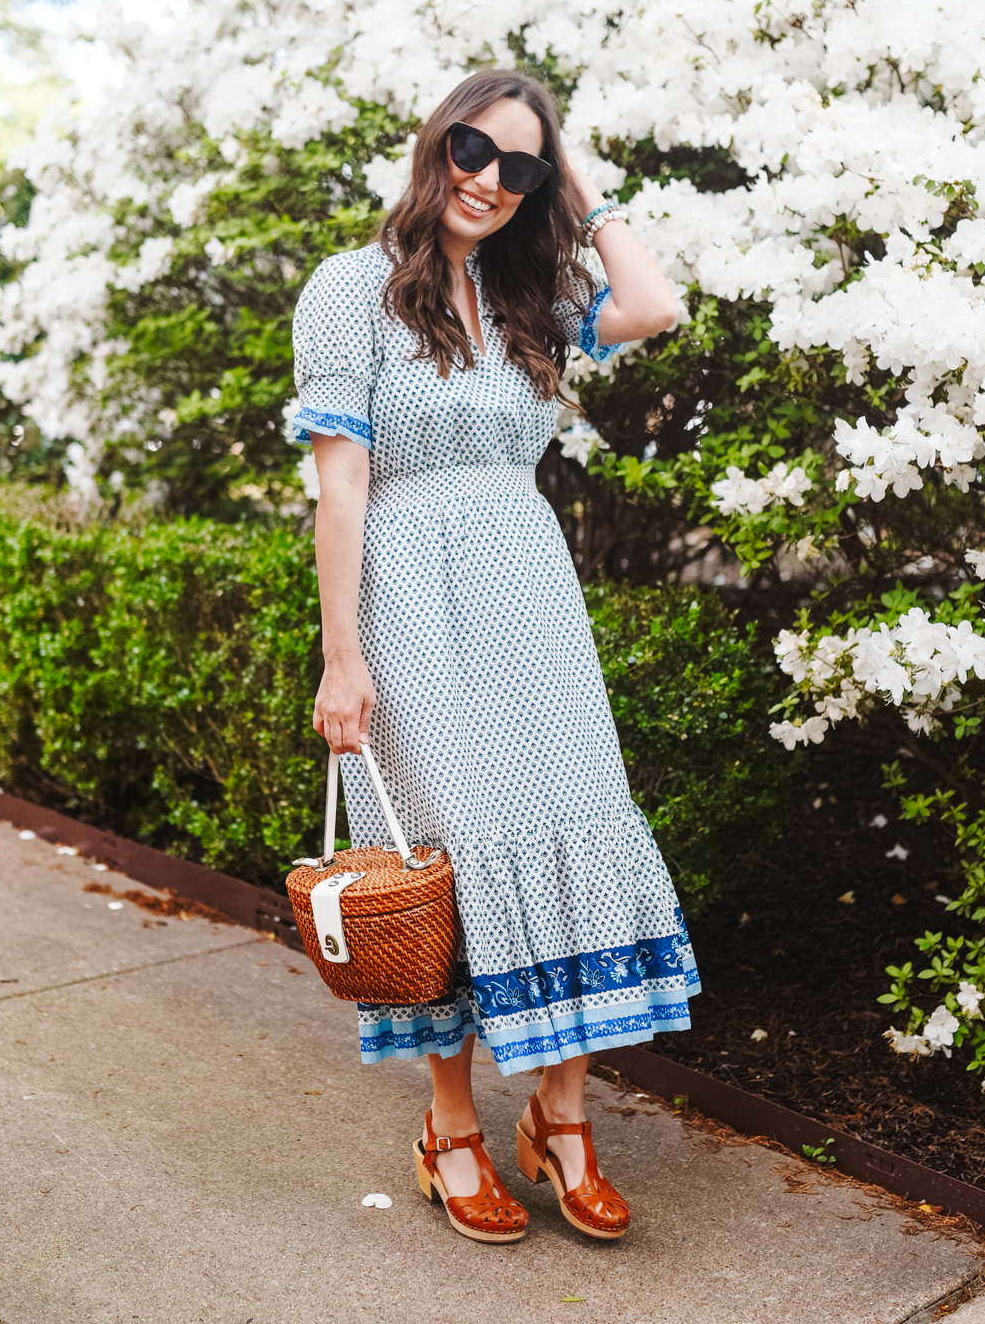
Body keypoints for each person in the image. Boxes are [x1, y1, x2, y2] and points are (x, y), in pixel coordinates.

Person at [292, 69, 700, 1244]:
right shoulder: (350, 288)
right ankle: (453, 1129)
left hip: (528, 586)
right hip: (410, 592)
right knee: (450, 854)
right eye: (475, 148)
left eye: (518, 166)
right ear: (438, 142)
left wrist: (579, 187)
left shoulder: (539, 290)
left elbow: (655, 306)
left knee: (570, 818)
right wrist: (342, 654)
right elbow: (344, 486)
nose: (488, 178)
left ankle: (563, 1124)